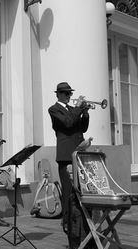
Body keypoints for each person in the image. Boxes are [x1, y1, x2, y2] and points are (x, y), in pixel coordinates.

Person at [48, 82, 89, 235]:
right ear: (58, 94)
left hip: (79, 152)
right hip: (65, 155)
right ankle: (66, 221)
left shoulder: (73, 110)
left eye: (70, 93)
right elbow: (68, 122)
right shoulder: (54, 109)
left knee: (80, 187)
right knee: (67, 190)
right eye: (66, 93)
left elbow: (82, 128)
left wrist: (85, 113)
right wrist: (79, 108)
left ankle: (79, 217)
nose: (69, 96)